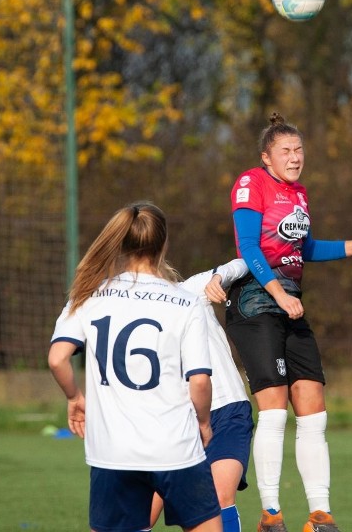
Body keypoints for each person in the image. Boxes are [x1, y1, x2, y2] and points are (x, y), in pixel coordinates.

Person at [226, 112, 352, 532]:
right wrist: (277, 292)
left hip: (290, 302)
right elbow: (247, 245)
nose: (295, 157)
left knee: (313, 406)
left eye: (299, 150)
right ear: (267, 157)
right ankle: (271, 515)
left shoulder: (299, 193)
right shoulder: (251, 183)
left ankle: (320, 515)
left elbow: (306, 247)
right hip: (255, 300)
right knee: (275, 410)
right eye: (286, 151)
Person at [48, 201, 222, 532]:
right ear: (164, 244)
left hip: (112, 452)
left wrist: (74, 397)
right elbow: (199, 381)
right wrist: (203, 422)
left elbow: (57, 358)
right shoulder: (185, 302)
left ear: (122, 243)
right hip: (176, 448)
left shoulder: (87, 296)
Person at [149, 258, 255, 532]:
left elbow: (242, 263)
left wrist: (217, 279)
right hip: (177, 423)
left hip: (227, 410)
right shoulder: (138, 321)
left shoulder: (192, 289)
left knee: (219, 498)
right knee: (142, 515)